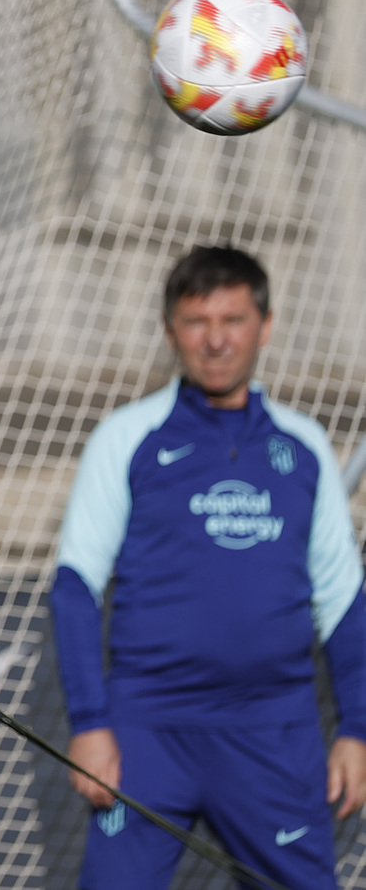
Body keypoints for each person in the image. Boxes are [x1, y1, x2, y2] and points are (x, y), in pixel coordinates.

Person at [49, 245, 366, 890]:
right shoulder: (126, 437)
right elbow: (75, 586)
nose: (216, 341)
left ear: (266, 326)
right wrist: (90, 725)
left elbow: (344, 602)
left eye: (234, 320)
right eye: (197, 322)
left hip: (273, 731)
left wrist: (357, 729)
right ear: (171, 331)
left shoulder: (303, 448)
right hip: (146, 732)